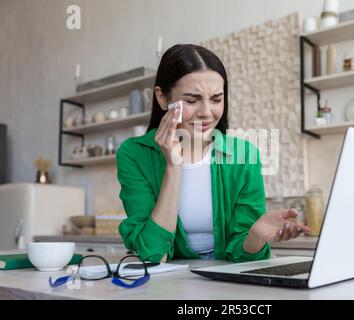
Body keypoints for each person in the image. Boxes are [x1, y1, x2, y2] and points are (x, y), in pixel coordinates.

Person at [116, 44, 310, 263]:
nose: (207, 113)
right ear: (162, 98)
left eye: (217, 99)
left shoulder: (244, 154)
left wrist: (255, 236)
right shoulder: (134, 154)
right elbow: (152, 254)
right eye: (191, 100)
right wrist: (173, 167)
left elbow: (242, 252)